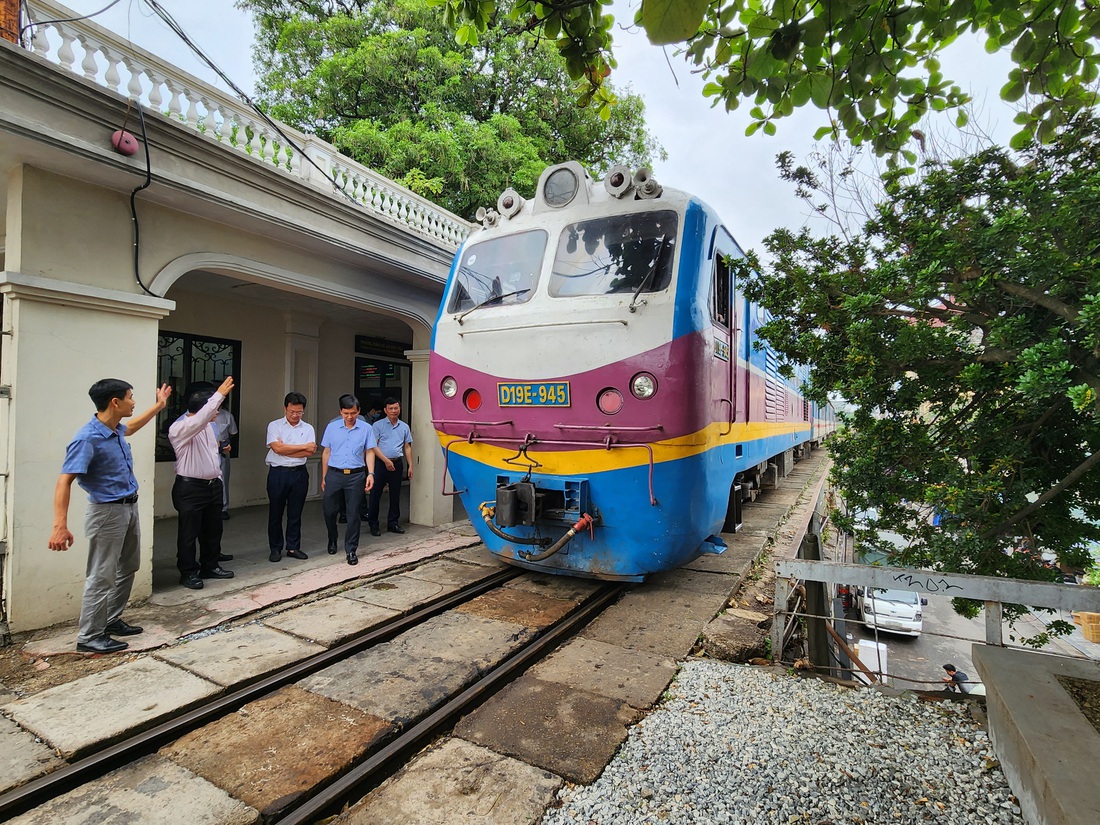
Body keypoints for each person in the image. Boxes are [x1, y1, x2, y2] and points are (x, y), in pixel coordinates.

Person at [48, 379, 171, 653]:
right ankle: (89, 636)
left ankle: (111, 620)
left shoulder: (113, 429)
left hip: (128, 507)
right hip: (106, 512)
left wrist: (159, 406)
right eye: (130, 397)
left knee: (128, 566)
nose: (133, 401)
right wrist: (59, 526)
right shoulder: (86, 438)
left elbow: (134, 426)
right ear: (115, 402)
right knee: (101, 574)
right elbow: (64, 480)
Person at [169, 377, 235, 590]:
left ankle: (210, 565)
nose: (218, 412)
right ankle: (188, 572)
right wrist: (219, 394)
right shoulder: (180, 427)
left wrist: (218, 478)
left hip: (212, 485)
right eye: (215, 408)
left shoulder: (209, 427)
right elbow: (199, 420)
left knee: (213, 530)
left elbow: (212, 454)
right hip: (191, 488)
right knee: (189, 532)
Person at [320, 394, 377, 566]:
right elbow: (326, 452)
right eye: (346, 413)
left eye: (353, 413)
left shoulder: (366, 428)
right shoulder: (332, 427)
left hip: (356, 475)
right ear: (341, 412)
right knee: (329, 511)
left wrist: (371, 473)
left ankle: (351, 549)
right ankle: (332, 538)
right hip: (335, 474)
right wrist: (324, 476)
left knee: (353, 514)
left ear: (358, 411)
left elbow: (370, 451)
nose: (349, 417)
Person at [265, 392, 316, 562]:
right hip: (278, 473)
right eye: (292, 412)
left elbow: (309, 452)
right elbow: (277, 449)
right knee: (275, 512)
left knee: (295, 513)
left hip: (299, 473)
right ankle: (275, 548)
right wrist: (300, 447)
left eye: (299, 412)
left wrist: (285, 447)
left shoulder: (308, 428)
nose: (295, 415)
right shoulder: (274, 425)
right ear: (285, 408)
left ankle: (293, 547)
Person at [366, 397, 413, 536]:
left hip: (397, 463)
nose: (394, 411)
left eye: (396, 408)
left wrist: (410, 465)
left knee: (395, 494)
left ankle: (393, 523)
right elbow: (373, 446)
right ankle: (373, 524)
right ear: (385, 410)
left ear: (400, 409)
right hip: (381, 464)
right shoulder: (378, 426)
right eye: (391, 408)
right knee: (375, 494)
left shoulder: (404, 427)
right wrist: (385, 460)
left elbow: (407, 446)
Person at [214, 405, 238, 520]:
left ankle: (223, 508)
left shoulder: (227, 415)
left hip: (222, 452)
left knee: (223, 480)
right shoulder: (202, 415)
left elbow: (232, 432)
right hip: (205, 453)